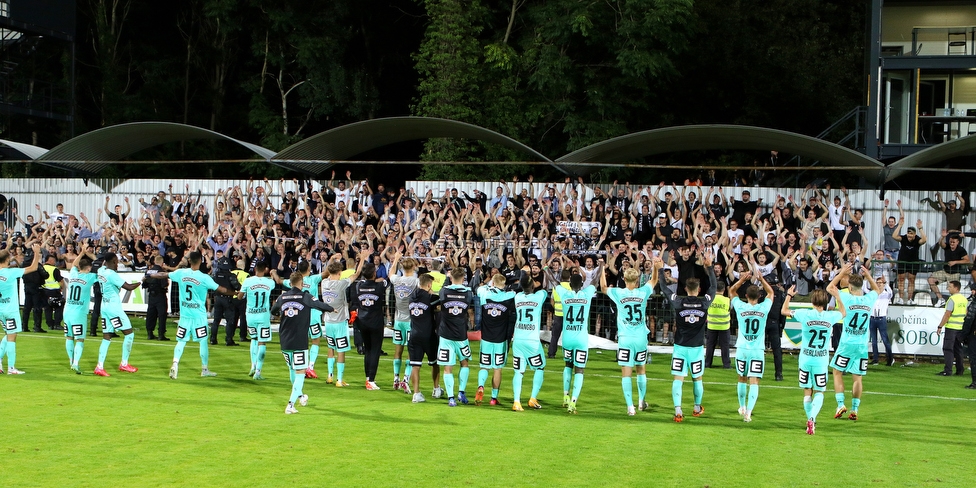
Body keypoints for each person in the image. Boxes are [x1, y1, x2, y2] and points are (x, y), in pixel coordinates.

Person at [148, 252, 237, 379]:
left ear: (190, 261)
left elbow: (163, 274)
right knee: (203, 342)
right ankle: (204, 369)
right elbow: (221, 290)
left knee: (181, 341)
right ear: (201, 261)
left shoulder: (181, 273)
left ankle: (175, 363)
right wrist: (234, 293)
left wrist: (150, 274)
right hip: (199, 316)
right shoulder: (204, 277)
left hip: (185, 315)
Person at [661, 250, 717, 422]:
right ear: (699, 289)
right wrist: (710, 267)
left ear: (685, 288)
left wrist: (659, 270)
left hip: (680, 347)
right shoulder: (704, 302)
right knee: (697, 379)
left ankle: (678, 411)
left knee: (678, 379)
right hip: (697, 348)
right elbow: (714, 287)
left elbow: (663, 288)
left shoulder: (678, 302)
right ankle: (696, 407)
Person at [782, 288, 845, 435]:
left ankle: (810, 420)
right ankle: (812, 418)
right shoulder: (830, 316)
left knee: (806, 392)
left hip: (805, 359)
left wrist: (789, 295)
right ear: (825, 302)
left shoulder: (805, 314)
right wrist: (838, 296)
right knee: (820, 391)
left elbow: (784, 310)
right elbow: (843, 312)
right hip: (820, 360)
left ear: (812, 301)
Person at [271, 272, 335, 414]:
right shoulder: (305, 296)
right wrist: (331, 309)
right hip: (299, 341)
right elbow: (318, 304)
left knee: (292, 370)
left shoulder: (282, 297)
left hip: (284, 341)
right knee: (300, 373)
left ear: (291, 283)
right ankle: (290, 404)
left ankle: (300, 396)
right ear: (301, 283)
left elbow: (273, 310)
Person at [827, 264, 880, 421]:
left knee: (837, 372)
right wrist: (869, 276)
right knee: (857, 377)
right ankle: (855, 409)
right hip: (862, 345)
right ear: (862, 285)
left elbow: (830, 287)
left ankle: (840, 404)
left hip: (847, 343)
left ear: (850, 287)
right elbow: (877, 290)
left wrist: (842, 272)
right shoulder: (868, 299)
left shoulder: (847, 297)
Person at [728, 271, 774, 422]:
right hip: (757, 350)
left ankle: (741, 406)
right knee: (754, 380)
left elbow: (732, 291)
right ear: (759, 296)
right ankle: (748, 411)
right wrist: (761, 278)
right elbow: (771, 292)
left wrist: (742, 279)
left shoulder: (740, 306)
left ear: (746, 296)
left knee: (742, 378)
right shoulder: (764, 308)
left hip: (742, 348)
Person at [609, 263, 653, 416]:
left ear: (623, 278)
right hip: (640, 337)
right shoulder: (643, 292)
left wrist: (602, 269)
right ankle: (641, 401)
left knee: (626, 373)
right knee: (641, 370)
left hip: (625, 338)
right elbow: (653, 281)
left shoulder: (619, 293)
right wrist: (658, 267)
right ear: (637, 279)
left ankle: (630, 407)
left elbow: (602, 287)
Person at [321, 253, 366, 387]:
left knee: (331, 348)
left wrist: (331, 259)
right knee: (341, 350)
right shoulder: (341, 284)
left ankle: (329, 376)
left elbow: (327, 273)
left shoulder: (324, 283)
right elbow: (356, 274)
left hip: (328, 321)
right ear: (340, 272)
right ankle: (339, 380)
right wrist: (362, 258)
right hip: (340, 322)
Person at [94, 253, 142, 377]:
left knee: (107, 336)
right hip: (114, 308)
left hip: (104, 306)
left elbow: (103, 265)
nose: (117, 264)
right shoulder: (112, 274)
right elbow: (129, 287)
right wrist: (141, 281)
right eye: (116, 262)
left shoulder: (101, 271)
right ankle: (124, 364)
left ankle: (99, 366)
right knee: (129, 334)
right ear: (113, 261)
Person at [559, 272, 599, 414]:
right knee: (579, 370)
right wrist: (600, 265)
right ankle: (573, 402)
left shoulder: (564, 294)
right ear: (582, 285)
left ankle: (565, 396)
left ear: (569, 285)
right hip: (581, 339)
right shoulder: (587, 294)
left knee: (568, 365)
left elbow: (555, 281)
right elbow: (595, 280)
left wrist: (546, 269)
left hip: (567, 338)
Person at [0, 243, 41, 374]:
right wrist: (36, 252)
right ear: (7, 259)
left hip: (1, 309)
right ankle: (11, 368)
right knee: (12, 337)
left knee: (8, 334)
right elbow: (33, 267)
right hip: (10, 309)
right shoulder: (11, 272)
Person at [475, 273, 515, 406]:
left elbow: (479, 289)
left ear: (493, 283)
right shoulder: (508, 296)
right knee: (497, 369)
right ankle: (493, 398)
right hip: (500, 339)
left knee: (484, 366)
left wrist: (490, 285)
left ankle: (481, 386)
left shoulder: (484, 294)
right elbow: (514, 292)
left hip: (486, 337)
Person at [436, 267, 474, 407]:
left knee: (448, 367)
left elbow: (442, 292)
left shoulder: (444, 291)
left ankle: (451, 398)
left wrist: (447, 278)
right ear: (463, 279)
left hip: (446, 336)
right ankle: (461, 393)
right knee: (464, 363)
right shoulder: (468, 293)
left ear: (451, 277)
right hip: (461, 335)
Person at [511, 273, 548, 411]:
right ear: (533, 286)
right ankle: (532, 398)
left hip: (518, 340)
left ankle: (516, 402)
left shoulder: (517, 297)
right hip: (532, 341)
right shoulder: (539, 296)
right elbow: (544, 287)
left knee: (518, 372)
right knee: (539, 367)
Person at [351, 261, 387, 390]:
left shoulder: (359, 286)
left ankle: (368, 379)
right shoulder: (379, 286)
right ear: (374, 274)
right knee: (375, 351)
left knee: (368, 350)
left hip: (362, 322)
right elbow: (387, 279)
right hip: (375, 323)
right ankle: (371, 380)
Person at [240, 262, 280, 380]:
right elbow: (275, 282)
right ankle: (258, 372)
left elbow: (240, 296)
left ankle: (253, 365)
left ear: (255, 269)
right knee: (262, 342)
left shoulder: (248, 281)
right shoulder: (269, 282)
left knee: (253, 339)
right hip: (263, 316)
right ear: (265, 269)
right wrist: (273, 274)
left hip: (251, 315)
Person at [407, 274, 442, 403]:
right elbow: (439, 301)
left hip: (414, 334)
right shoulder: (430, 297)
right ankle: (436, 389)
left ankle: (416, 393)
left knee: (415, 365)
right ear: (429, 285)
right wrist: (430, 290)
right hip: (428, 335)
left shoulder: (411, 297)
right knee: (434, 363)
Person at [389, 252, 420, 391]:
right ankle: (405, 379)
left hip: (398, 320)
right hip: (409, 320)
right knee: (410, 351)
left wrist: (395, 259)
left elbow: (391, 273)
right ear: (413, 267)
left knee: (398, 350)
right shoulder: (415, 281)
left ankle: (395, 378)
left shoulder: (397, 280)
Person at [63, 251, 98, 374]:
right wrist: (90, 254)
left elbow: (73, 264)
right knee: (79, 339)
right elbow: (100, 266)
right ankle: (76, 364)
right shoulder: (90, 277)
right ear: (88, 268)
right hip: (79, 313)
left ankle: (71, 361)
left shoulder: (73, 274)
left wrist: (82, 252)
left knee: (69, 337)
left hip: (67, 311)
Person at [298, 261, 329, 378]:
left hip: (300, 315)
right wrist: (331, 259)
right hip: (313, 315)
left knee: (302, 341)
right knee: (315, 340)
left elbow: (280, 281)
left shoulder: (296, 281)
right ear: (308, 269)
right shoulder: (313, 279)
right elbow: (326, 273)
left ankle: (301, 366)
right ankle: (310, 367)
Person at [935, 280, 967, 377]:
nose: (948, 288)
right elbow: (965, 313)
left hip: (952, 327)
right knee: (958, 349)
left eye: (950, 287)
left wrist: (940, 326)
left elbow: (947, 314)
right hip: (960, 327)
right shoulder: (964, 299)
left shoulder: (952, 299)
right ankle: (960, 370)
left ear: (956, 288)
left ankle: (948, 370)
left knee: (948, 349)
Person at [142, 256, 170, 340]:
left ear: (154, 261)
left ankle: (150, 333)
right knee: (162, 315)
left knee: (151, 314)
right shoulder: (161, 272)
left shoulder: (148, 271)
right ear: (162, 263)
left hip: (151, 295)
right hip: (160, 295)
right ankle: (161, 334)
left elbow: (144, 284)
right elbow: (164, 285)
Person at [704, 281, 732, 369]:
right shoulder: (727, 300)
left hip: (711, 326)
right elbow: (730, 309)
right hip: (724, 326)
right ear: (724, 290)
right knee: (725, 347)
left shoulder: (709, 299)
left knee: (710, 346)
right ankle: (726, 364)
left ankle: (707, 363)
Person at [869, 275, 894, 366]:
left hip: (881, 319)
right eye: (877, 283)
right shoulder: (872, 294)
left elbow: (891, 292)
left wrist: (886, 283)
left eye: (880, 283)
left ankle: (890, 359)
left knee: (885, 340)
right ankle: (875, 359)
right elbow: (864, 289)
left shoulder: (886, 294)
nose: (879, 285)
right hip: (872, 318)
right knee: (874, 341)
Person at [40, 254, 65, 331]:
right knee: (59, 306)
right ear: (50, 260)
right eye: (54, 260)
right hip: (54, 291)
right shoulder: (54, 269)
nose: (55, 262)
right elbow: (60, 281)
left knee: (48, 308)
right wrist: (61, 288)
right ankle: (57, 324)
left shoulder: (41, 268)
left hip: (44, 291)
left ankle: (50, 324)